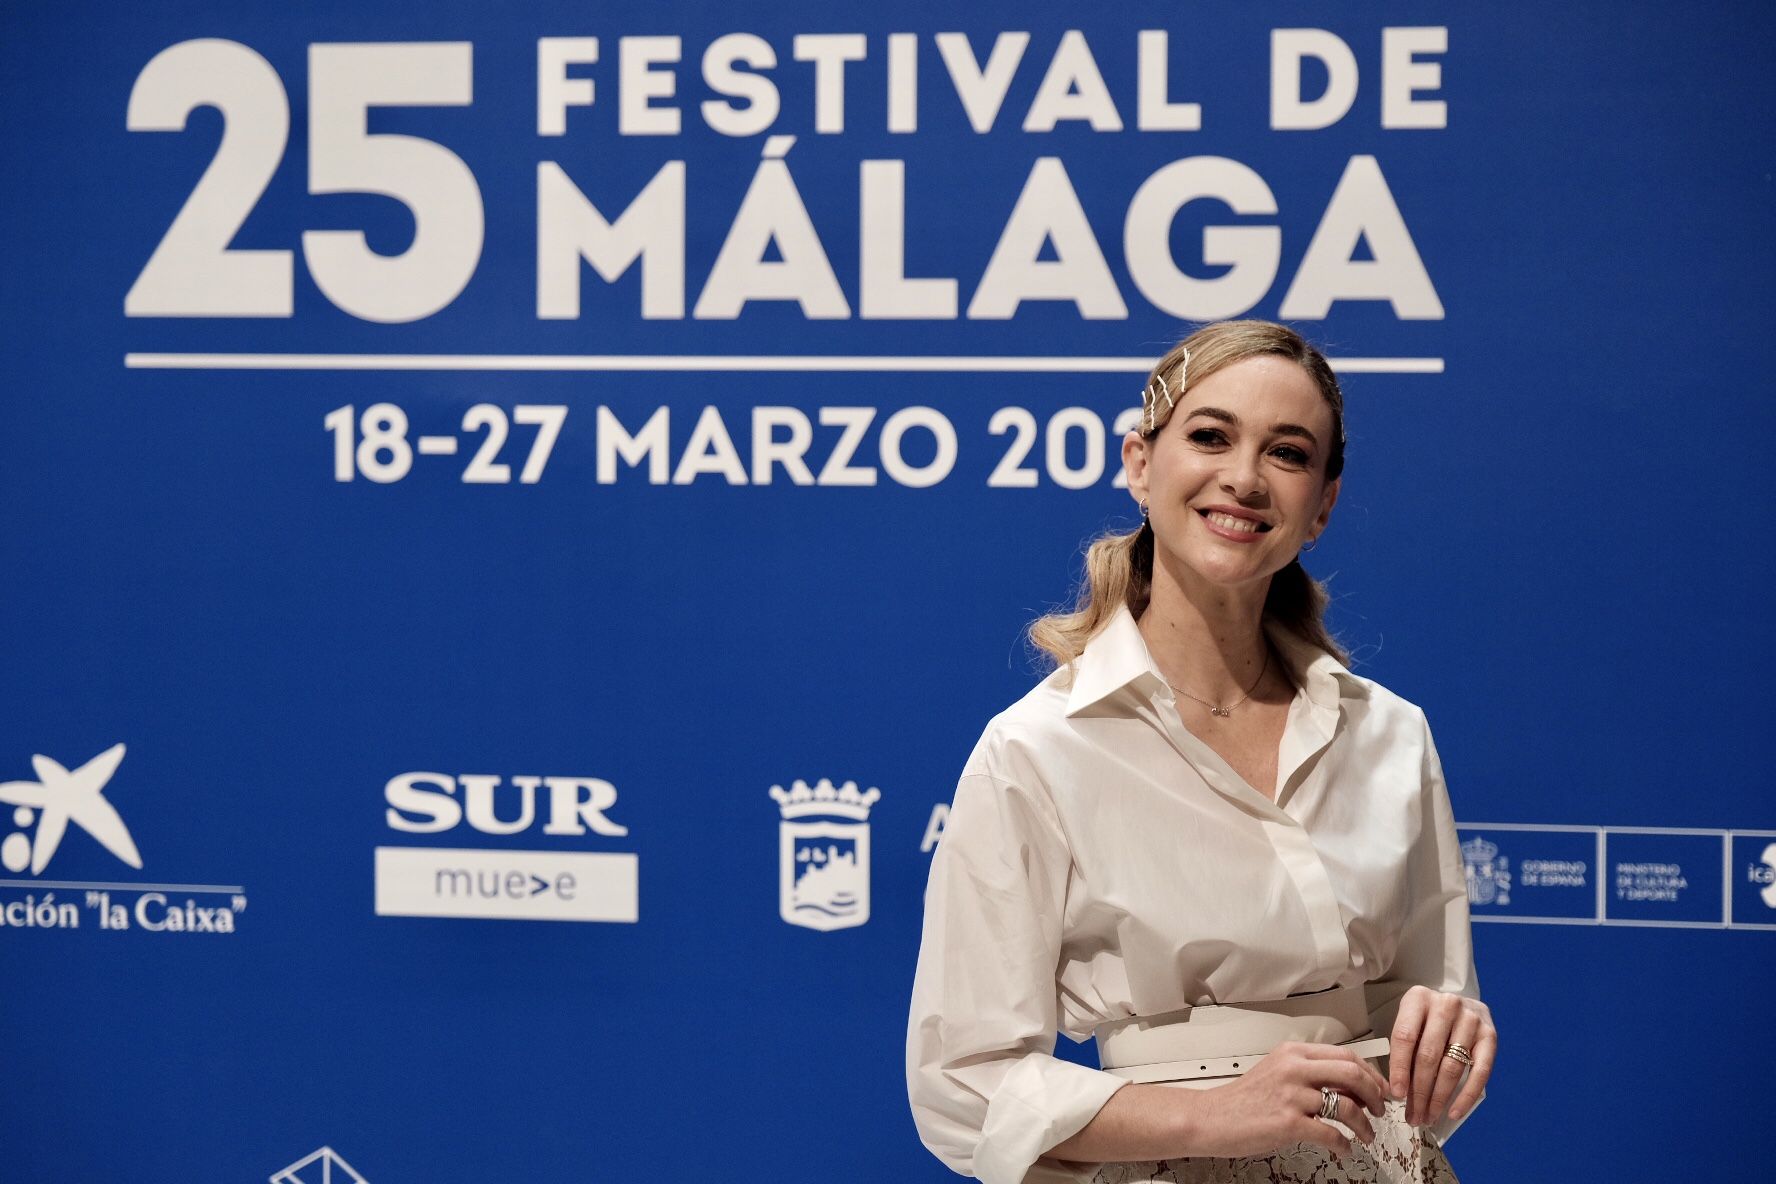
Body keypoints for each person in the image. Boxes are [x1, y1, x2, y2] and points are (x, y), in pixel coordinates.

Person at [906, 320, 1496, 1184]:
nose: (1245, 478)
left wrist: (1445, 1043)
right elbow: (964, 1085)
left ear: (1323, 505)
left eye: (1288, 453)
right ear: (1141, 465)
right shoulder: (1036, 749)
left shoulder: (1391, 734)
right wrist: (1213, 1114)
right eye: (1211, 436)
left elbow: (1426, 1012)